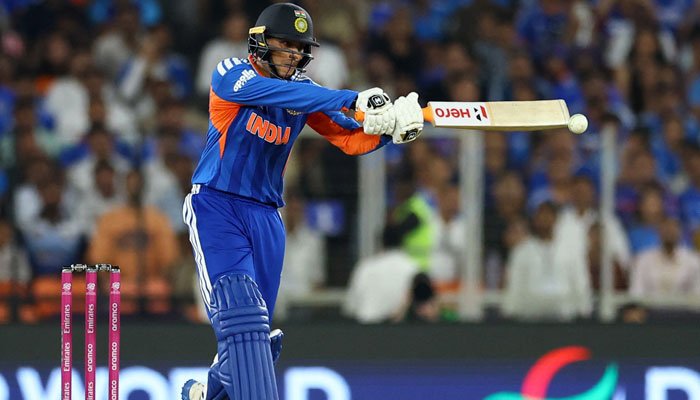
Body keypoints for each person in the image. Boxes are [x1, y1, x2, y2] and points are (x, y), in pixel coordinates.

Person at [180, 3, 424, 400]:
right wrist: (352, 99)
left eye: (299, 48)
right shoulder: (232, 73)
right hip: (217, 206)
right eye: (285, 45)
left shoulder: (306, 93)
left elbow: (350, 138)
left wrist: (391, 129)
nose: (293, 54)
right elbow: (281, 93)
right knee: (242, 316)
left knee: (254, 339)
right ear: (261, 43)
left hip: (267, 218)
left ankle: (202, 393)